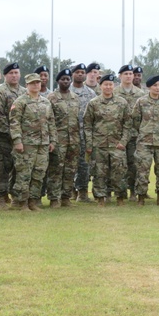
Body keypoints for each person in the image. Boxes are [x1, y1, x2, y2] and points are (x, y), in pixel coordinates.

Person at [9, 73, 56, 211]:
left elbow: (51, 122)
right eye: (32, 83)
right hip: (27, 143)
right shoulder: (20, 101)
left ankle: (33, 201)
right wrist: (17, 141)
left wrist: (52, 140)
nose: (36, 85)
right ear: (27, 85)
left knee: (39, 173)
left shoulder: (46, 102)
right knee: (24, 174)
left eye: (38, 82)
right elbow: (14, 122)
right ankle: (21, 202)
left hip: (43, 143)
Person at [84, 73, 131, 205]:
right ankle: (100, 198)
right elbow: (87, 125)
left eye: (111, 84)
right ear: (101, 86)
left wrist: (123, 141)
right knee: (99, 173)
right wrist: (89, 143)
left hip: (117, 145)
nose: (108, 87)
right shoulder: (93, 103)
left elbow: (128, 124)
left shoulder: (122, 103)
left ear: (114, 86)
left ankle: (120, 198)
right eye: (106, 85)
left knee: (120, 172)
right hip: (99, 145)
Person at [130, 75, 159, 205]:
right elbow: (136, 120)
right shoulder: (141, 102)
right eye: (155, 85)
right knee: (142, 170)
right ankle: (141, 198)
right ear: (149, 87)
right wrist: (144, 131)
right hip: (145, 142)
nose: (158, 88)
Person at [0, 62, 22, 208]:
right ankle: (0, 197)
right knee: (1, 168)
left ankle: (14, 195)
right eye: (11, 73)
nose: (14, 76)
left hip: (20, 138)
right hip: (2, 138)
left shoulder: (24, 92)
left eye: (16, 73)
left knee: (18, 167)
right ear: (5, 75)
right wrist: (13, 135)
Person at [47, 68, 81, 208]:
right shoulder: (51, 98)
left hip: (73, 139)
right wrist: (52, 140)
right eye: (63, 79)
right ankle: (54, 199)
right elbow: (49, 120)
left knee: (70, 169)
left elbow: (77, 120)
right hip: (58, 139)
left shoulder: (75, 97)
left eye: (68, 79)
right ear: (58, 81)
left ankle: (66, 197)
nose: (66, 81)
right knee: (56, 169)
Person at [117, 64, 147, 199]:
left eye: (130, 74)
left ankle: (133, 191)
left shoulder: (140, 94)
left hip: (135, 135)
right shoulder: (114, 92)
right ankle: (118, 192)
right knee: (118, 165)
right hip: (117, 135)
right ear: (120, 76)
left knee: (134, 164)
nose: (129, 76)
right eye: (126, 74)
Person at [70, 63, 97, 201]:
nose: (80, 74)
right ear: (72, 74)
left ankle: (82, 192)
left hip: (85, 135)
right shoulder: (65, 90)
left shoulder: (91, 93)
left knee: (84, 165)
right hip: (68, 135)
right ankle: (69, 192)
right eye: (77, 72)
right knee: (69, 164)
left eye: (82, 72)